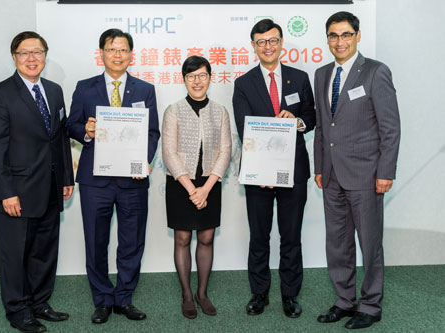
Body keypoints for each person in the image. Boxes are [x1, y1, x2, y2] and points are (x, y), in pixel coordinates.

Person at [0, 31, 74, 333]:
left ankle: (40, 303)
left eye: (38, 52)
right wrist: (6, 191)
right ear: (14, 57)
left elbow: (59, 138)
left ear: (45, 55)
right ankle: (18, 310)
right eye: (25, 53)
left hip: (50, 187)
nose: (32, 58)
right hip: (17, 192)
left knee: (45, 251)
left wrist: (66, 177)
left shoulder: (55, 90)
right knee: (16, 254)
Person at [66, 28, 160, 324]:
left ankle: (124, 298)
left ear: (131, 55)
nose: (117, 55)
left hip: (132, 181)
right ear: (101, 53)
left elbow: (153, 132)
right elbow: (71, 126)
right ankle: (103, 299)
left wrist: (141, 161)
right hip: (96, 181)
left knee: (131, 241)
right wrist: (87, 132)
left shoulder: (145, 89)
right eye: (111, 49)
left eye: (123, 50)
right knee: (96, 241)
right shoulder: (85, 88)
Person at [313, 11, 400, 329]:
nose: (340, 41)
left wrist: (386, 171)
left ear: (357, 36)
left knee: (369, 241)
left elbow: (390, 127)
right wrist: (319, 166)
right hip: (331, 175)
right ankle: (344, 300)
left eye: (346, 34)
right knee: (336, 242)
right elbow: (323, 126)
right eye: (334, 35)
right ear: (328, 39)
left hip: (367, 175)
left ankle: (371, 305)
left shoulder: (375, 72)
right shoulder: (322, 74)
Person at [232, 19, 316, 318]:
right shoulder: (243, 83)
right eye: (261, 42)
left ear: (281, 43)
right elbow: (245, 128)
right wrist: (264, 170)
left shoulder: (300, 78)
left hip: (294, 170)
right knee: (259, 236)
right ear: (253, 46)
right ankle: (259, 293)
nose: (268, 46)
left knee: (291, 236)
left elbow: (311, 116)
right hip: (258, 174)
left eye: (273, 40)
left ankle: (290, 295)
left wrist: (297, 122)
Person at [162, 56, 231, 319]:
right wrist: (192, 189)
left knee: (206, 238)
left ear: (210, 77)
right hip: (182, 183)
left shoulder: (220, 111)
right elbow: (169, 153)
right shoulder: (173, 110)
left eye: (202, 75)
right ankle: (187, 294)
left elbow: (225, 151)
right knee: (182, 238)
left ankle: (202, 293)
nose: (197, 81)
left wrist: (206, 188)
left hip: (210, 183)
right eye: (191, 76)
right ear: (184, 79)